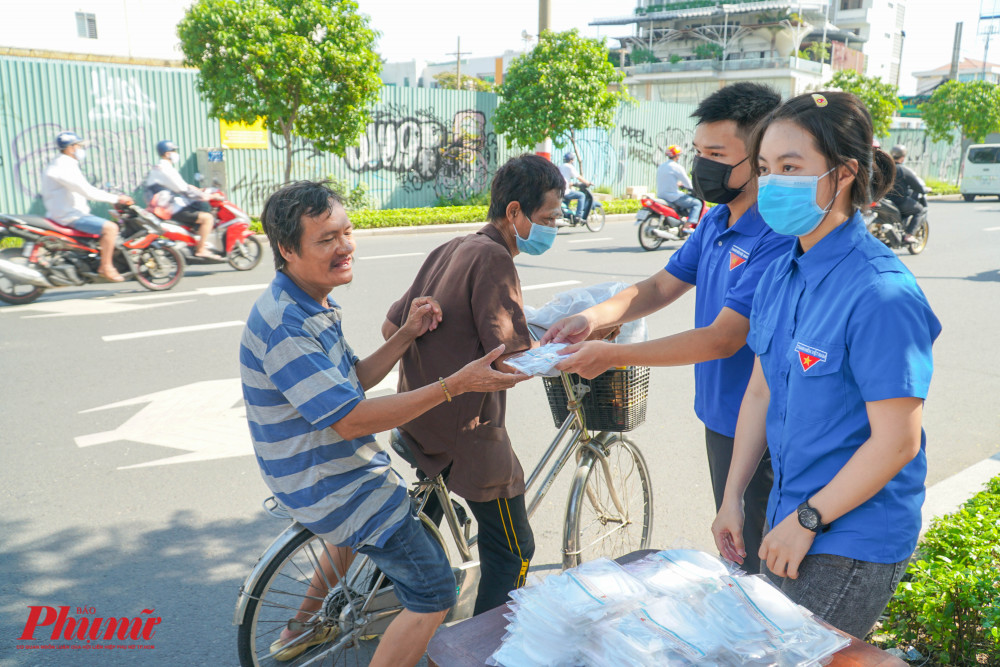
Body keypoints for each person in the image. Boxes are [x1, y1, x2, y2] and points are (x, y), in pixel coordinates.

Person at [240, 181, 525, 665]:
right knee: (435, 590)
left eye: (347, 232)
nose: (345, 246)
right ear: (288, 250)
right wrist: (456, 384)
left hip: (316, 469)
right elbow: (351, 420)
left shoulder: (311, 302)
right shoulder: (287, 324)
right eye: (326, 239)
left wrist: (408, 334)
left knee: (384, 540)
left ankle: (301, 626)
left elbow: (351, 381)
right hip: (333, 481)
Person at [712, 91, 941, 640]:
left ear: (843, 175)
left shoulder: (882, 294)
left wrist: (809, 519)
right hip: (788, 516)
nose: (772, 184)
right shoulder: (781, 272)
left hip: (850, 533)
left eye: (791, 168)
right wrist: (732, 499)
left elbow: (897, 443)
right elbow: (761, 393)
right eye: (765, 169)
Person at [542, 82, 790, 575]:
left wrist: (614, 355)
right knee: (737, 544)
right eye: (699, 152)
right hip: (719, 416)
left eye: (717, 154)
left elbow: (723, 337)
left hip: (764, 429)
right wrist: (590, 318)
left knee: (762, 565)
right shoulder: (717, 219)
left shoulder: (774, 235)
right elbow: (659, 286)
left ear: (760, 158)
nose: (703, 166)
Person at [381, 154, 565, 615]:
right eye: (547, 218)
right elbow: (510, 362)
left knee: (431, 513)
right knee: (515, 550)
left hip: (421, 416)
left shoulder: (455, 246)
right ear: (514, 213)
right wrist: (576, 354)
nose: (553, 227)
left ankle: (382, 597)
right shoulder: (495, 259)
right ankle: (484, 648)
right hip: (464, 433)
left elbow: (391, 328)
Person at [40, 131, 134, 282]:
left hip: (67, 213)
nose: (81, 149)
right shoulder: (64, 166)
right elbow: (87, 191)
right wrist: (117, 198)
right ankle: (106, 267)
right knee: (111, 228)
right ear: (70, 148)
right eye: (78, 146)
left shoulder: (60, 164)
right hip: (70, 216)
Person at [143, 140, 222, 259]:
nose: (175, 153)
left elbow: (181, 186)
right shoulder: (165, 169)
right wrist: (208, 196)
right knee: (207, 218)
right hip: (169, 208)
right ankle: (201, 249)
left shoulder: (160, 168)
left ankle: (197, 240)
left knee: (196, 208)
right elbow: (183, 189)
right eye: (173, 150)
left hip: (165, 205)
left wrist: (197, 190)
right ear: (167, 153)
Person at [887, 144, 927, 245]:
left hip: (884, 199)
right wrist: (923, 190)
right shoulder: (902, 170)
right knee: (920, 210)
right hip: (899, 201)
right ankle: (909, 235)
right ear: (903, 157)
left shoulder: (885, 167)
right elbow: (916, 185)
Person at [656, 144, 702, 223]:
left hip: (660, 195)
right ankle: (688, 225)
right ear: (677, 156)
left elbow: (667, 179)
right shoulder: (677, 167)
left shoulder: (662, 166)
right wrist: (695, 187)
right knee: (697, 203)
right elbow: (688, 183)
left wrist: (678, 184)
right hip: (672, 196)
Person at [558, 152, 593, 221]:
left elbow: (564, 178)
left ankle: (567, 215)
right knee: (582, 195)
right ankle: (578, 216)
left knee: (569, 195)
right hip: (565, 191)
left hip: (559, 190)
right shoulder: (569, 166)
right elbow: (578, 177)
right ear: (571, 160)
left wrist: (571, 183)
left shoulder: (560, 166)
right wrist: (587, 182)